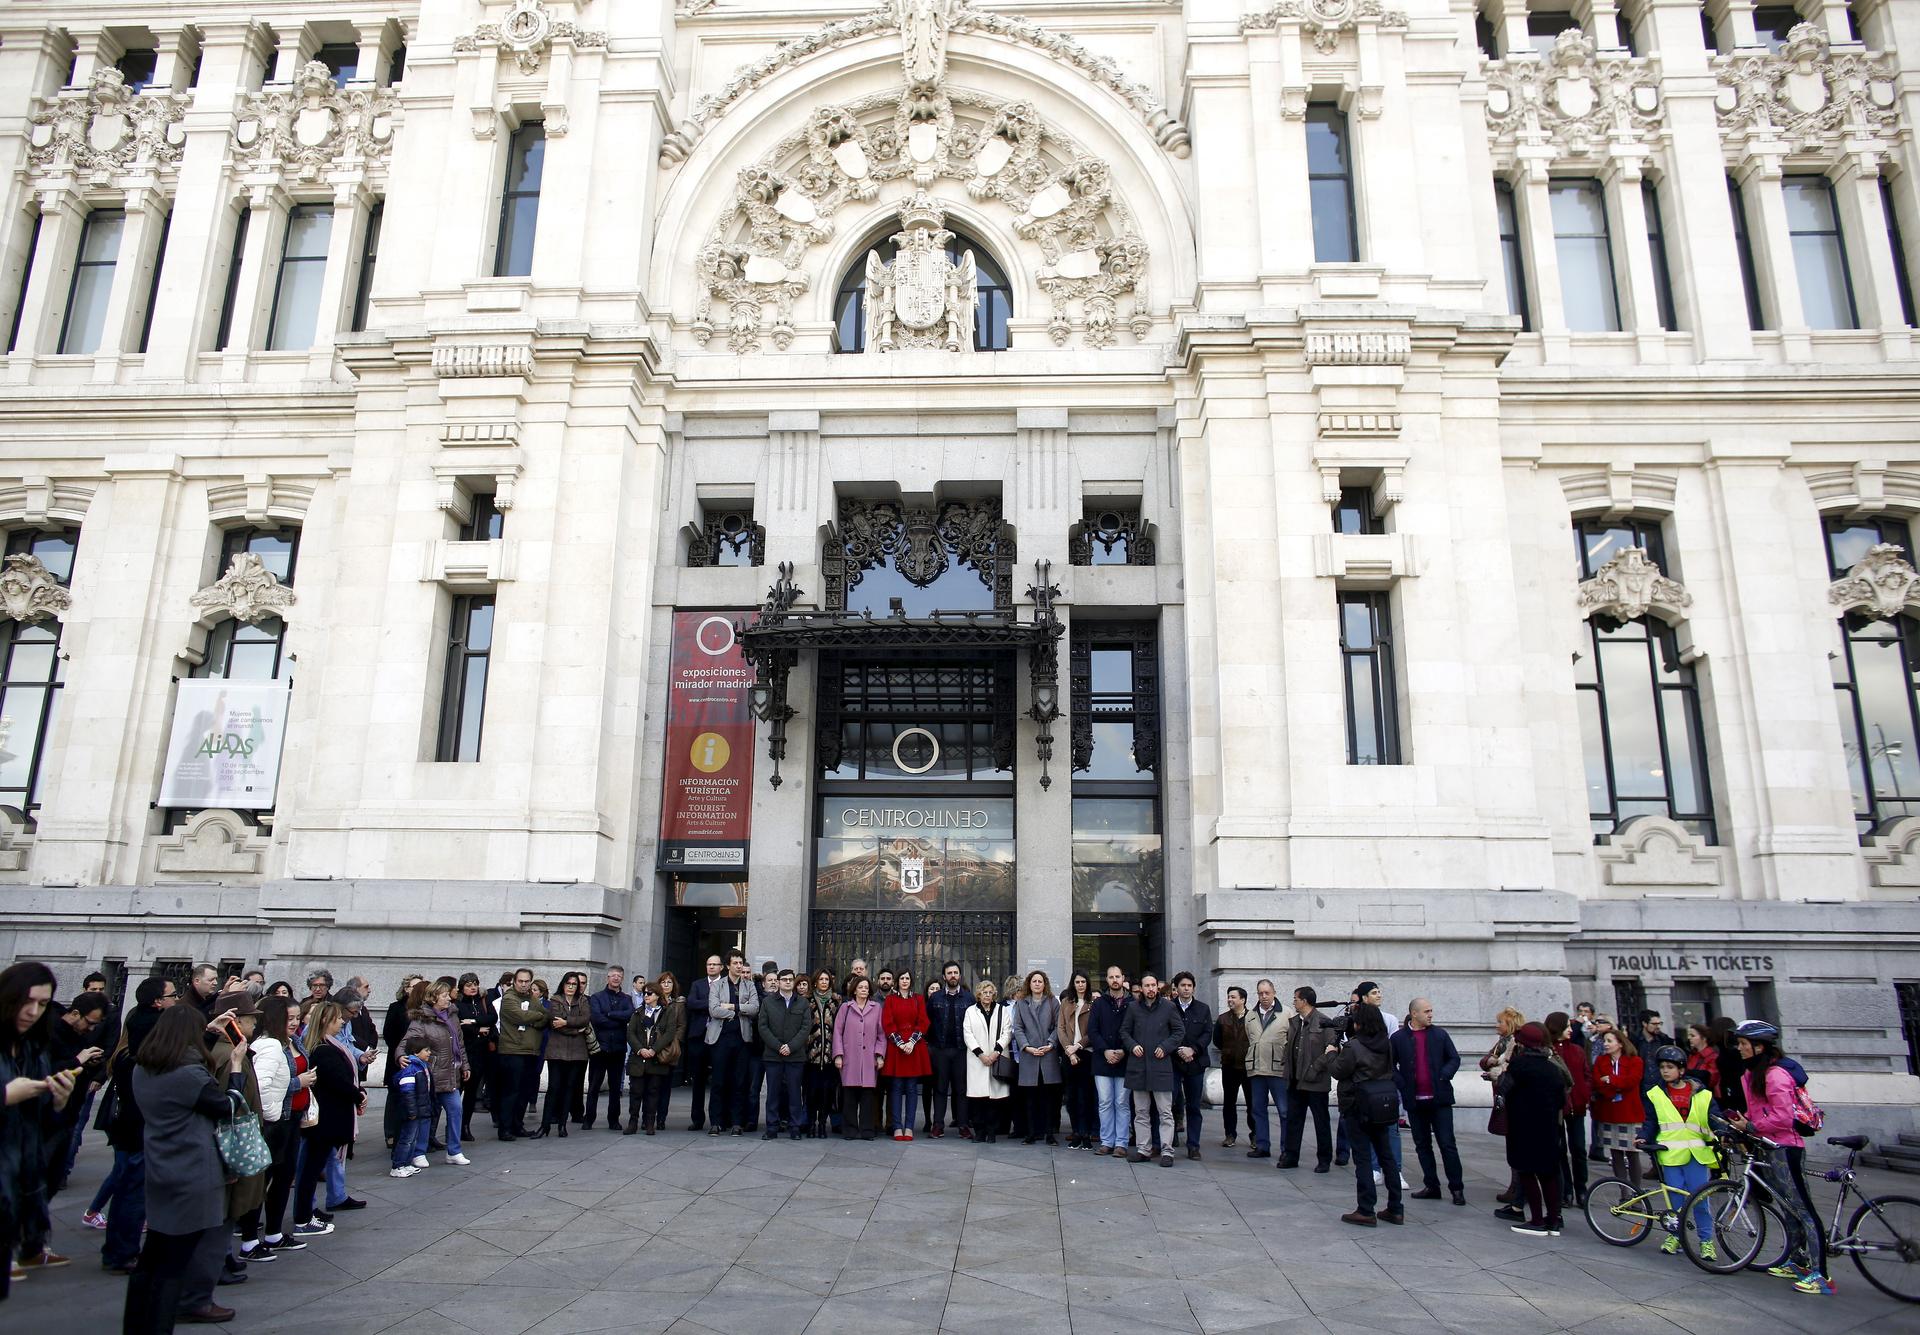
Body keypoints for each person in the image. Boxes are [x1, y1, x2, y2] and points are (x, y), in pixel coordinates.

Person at [120, 1004, 243, 1330]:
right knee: (173, 1267)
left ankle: (135, 1325)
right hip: (192, 1174)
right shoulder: (188, 1075)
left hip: (161, 1169)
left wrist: (209, 1030)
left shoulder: (143, 1069)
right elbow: (226, 1104)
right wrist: (236, 1068)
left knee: (152, 1259)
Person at [1730, 1020, 1833, 1295]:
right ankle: (1797, 1261)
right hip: (1769, 1146)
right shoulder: (1752, 1074)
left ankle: (1821, 1275)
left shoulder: (1776, 1075)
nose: (1739, 1049)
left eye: (1743, 1044)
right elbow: (1760, 1111)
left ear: (1759, 1046)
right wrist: (1744, 1122)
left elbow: (1783, 1117)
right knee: (1787, 1206)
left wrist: (1751, 1126)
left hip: (1787, 1148)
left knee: (1803, 1209)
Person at [1, 962, 77, 1299]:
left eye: (43, 1004)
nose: (32, 1012)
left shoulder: (33, 1048)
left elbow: (42, 1122)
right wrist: (5, 1096)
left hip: (18, 1175)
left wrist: (58, 1100)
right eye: (26, 1001)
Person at [1313, 1000, 1401, 1226]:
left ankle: (1366, 1209)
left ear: (1360, 1024)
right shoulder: (1386, 1044)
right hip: (1382, 1104)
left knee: (1362, 1157)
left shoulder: (1354, 1047)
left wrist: (1332, 1052)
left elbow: (1338, 1071)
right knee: (1386, 1156)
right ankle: (1395, 1207)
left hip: (1358, 1105)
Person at [239, 996, 310, 1264]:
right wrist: (296, 1083)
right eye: (288, 1018)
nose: (294, 1022)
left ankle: (274, 1233)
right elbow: (261, 1086)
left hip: (291, 1118)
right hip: (275, 1121)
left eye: (295, 1017)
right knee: (262, 1179)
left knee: (283, 1176)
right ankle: (249, 1238)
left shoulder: (290, 1042)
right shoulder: (269, 1046)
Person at [1637, 1044, 1722, 1261]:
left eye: (1670, 1067)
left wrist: (1723, 1132)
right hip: (1671, 1154)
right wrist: (1644, 1135)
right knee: (1674, 1200)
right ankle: (1675, 1235)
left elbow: (1715, 1118)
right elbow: (1651, 1121)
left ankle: (1706, 1242)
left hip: (1696, 1155)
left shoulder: (1703, 1094)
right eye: (1662, 1067)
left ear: (1681, 1070)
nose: (1665, 1071)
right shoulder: (1655, 1094)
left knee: (1700, 1200)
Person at [1498, 1022, 1571, 1237]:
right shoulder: (1552, 1069)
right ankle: (1554, 1219)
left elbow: (1504, 1089)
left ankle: (1537, 1219)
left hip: (1524, 1127)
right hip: (1548, 1127)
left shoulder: (1519, 1066)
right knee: (1549, 1173)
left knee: (1528, 1172)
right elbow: (1561, 1098)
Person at [1390, 997, 1464, 1205]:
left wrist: (1444, 1074)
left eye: (1431, 1011)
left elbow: (1454, 1058)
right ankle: (1432, 1185)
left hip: (1439, 1100)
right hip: (1415, 1101)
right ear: (1414, 1013)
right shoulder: (1398, 1038)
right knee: (1422, 1145)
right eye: (1426, 1011)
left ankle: (1456, 1188)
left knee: (1447, 1144)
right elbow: (1389, 1064)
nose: (1430, 1014)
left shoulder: (1440, 1035)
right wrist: (1402, 1083)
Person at [402, 981, 470, 1166]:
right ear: (433, 998)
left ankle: (454, 1151)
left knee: (456, 1110)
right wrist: (400, 1056)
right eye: (445, 995)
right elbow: (407, 1042)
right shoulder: (422, 1018)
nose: (449, 998)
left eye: (449, 994)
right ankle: (419, 1152)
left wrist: (465, 1066)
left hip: (450, 1074)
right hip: (431, 1075)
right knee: (427, 1115)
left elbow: (460, 1045)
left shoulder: (453, 1016)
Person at [1119, 972, 1179, 1166]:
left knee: (1165, 1113)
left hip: (1161, 1066)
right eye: (1147, 986)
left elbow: (1179, 1032)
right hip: (1138, 1067)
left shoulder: (1169, 1007)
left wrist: (1166, 1046)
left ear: (1158, 987)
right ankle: (1143, 1149)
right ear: (1141, 988)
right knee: (1141, 1112)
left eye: (1154, 985)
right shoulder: (1133, 1008)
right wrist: (1132, 1045)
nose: (1151, 989)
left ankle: (1167, 1152)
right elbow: (1124, 1031)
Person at [1281, 987, 1339, 1172]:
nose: (1294, 1002)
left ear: (1304, 1001)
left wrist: (1315, 1068)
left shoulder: (1323, 1022)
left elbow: (1331, 1049)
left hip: (1316, 1082)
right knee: (1293, 1120)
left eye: (1296, 999)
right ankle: (1291, 1156)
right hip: (1296, 1080)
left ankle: (1324, 1159)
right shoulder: (1295, 1022)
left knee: (1321, 1121)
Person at [706, 954, 761, 1135]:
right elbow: (714, 1010)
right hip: (720, 1039)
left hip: (742, 1040)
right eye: (735, 963)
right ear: (728, 966)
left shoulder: (749, 985)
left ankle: (737, 1122)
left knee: (740, 1082)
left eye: (741, 963)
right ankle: (716, 1121)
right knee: (719, 1081)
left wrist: (732, 1007)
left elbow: (754, 1008)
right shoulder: (717, 985)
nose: (739, 966)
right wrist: (738, 1011)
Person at [1009, 971, 1061, 1146]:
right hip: (1029, 1055)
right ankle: (1030, 1133)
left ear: (1044, 984)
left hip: (1048, 1054)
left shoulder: (1053, 1002)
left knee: (1048, 1098)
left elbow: (1058, 1026)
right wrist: (1027, 1047)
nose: (1037, 984)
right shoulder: (1022, 1003)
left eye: (1040, 981)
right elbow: (1017, 1027)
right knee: (1029, 1098)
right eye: (1034, 981)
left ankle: (1049, 1134)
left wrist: (1051, 1043)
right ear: (1029, 984)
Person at [495, 969, 547, 1140]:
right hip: (512, 1051)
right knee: (511, 1092)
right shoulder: (509, 998)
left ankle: (517, 1125)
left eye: (527, 981)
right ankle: (505, 1128)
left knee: (524, 1092)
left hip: (531, 1051)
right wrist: (536, 1016)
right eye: (520, 981)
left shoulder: (532, 998)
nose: (524, 984)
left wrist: (537, 1017)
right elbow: (520, 1017)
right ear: (515, 981)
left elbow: (546, 1016)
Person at [538, 971, 591, 1139]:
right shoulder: (555, 1000)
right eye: (568, 983)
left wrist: (567, 1022)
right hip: (557, 1050)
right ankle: (544, 1125)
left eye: (574, 984)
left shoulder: (583, 1001)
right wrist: (576, 1029)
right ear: (563, 984)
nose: (571, 987)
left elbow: (585, 1019)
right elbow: (555, 1022)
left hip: (577, 1052)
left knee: (570, 1088)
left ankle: (562, 1125)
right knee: (553, 1088)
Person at [1545, 1010, 1590, 1207]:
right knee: (1560, 1149)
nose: (1571, 1030)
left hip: (1577, 1107)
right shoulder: (1548, 1051)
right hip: (1557, 1108)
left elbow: (1587, 1075)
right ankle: (1566, 1190)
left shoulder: (1577, 1050)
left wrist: (1584, 1094)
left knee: (1579, 1148)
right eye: (1567, 1026)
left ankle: (1582, 1188)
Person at [1590, 1027, 1644, 1188]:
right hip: (1609, 1111)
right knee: (1615, 1153)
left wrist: (1611, 1080)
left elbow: (1632, 1081)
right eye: (1604, 1041)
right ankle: (1624, 1192)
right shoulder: (1601, 1060)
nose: (1605, 1044)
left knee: (1633, 1154)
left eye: (1609, 1041)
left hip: (1630, 1113)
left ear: (1620, 1043)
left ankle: (1636, 1192)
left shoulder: (1635, 1061)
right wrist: (1613, 1083)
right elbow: (1598, 1082)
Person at [626, 982, 683, 1135]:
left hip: (656, 1059)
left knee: (653, 1092)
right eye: (644, 993)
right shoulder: (638, 1012)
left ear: (657, 995)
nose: (646, 996)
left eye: (649, 993)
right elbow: (631, 1033)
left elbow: (670, 1033)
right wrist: (640, 1049)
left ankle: (650, 1122)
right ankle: (633, 1122)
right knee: (636, 1092)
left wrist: (654, 1050)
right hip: (639, 1059)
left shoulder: (666, 1012)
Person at [832, 976, 885, 1139]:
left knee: (868, 1097)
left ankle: (867, 1130)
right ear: (854, 990)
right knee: (850, 1097)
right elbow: (837, 1032)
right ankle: (850, 1130)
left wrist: (880, 1055)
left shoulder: (876, 1008)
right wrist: (838, 1055)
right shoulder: (845, 1008)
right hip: (850, 1058)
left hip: (869, 1059)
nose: (864, 990)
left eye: (866, 987)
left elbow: (881, 1034)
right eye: (861, 987)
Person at [882, 968, 932, 1141]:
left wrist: (911, 1042)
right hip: (896, 1048)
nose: (904, 981)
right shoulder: (890, 1000)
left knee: (911, 1089)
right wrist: (900, 1043)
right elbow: (887, 1023)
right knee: (895, 1088)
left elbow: (924, 1021)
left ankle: (909, 1126)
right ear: (898, 981)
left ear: (911, 981)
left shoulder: (918, 999)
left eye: (907, 978)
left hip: (914, 1047)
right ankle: (897, 1126)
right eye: (902, 978)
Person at [1166, 972, 1211, 1161]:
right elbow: (1164, 1032)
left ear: (1193, 987)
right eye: (1182, 985)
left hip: (1195, 1063)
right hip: (1173, 1063)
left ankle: (1193, 1145)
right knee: (1170, 1103)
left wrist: (1193, 1050)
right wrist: (1178, 1050)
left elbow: (1207, 1033)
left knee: (1193, 1106)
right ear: (1176, 988)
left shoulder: (1203, 1009)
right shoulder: (1168, 1008)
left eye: (1189, 985)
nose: (1186, 988)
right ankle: (1170, 1139)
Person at [760, 970, 810, 1140]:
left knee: (795, 1093)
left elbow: (805, 1028)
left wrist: (791, 1046)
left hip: (795, 1056)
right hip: (773, 1056)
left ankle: (795, 1127)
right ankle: (771, 1128)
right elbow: (763, 1027)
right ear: (779, 982)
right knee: (773, 1094)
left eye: (790, 980)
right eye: (784, 980)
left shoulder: (802, 1003)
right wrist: (778, 1046)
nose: (788, 982)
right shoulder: (768, 1002)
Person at [1481, 1006, 1523, 1203]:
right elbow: (1484, 1061)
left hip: (1511, 1100)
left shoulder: (1516, 1045)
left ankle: (1518, 1188)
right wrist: (1491, 1062)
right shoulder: (1501, 1043)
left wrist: (1494, 1065)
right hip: (1502, 1096)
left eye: (1501, 1022)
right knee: (1511, 1143)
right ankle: (1515, 1186)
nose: (1497, 1025)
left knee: (1516, 1144)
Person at [1243, 980, 1288, 1161]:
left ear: (1274, 992)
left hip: (1278, 1069)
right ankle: (1262, 1146)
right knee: (1258, 1109)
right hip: (1257, 1070)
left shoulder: (1286, 1013)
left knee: (1284, 1111)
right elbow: (1250, 1037)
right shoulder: (1251, 1015)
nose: (1264, 997)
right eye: (1260, 993)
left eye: (1267, 993)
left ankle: (1287, 1148)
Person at [1088, 965, 1131, 1156]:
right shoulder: (1099, 1003)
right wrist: (1105, 1050)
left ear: (1123, 978)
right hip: (1102, 1060)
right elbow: (1092, 1030)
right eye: (1111, 976)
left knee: (1121, 1102)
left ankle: (1121, 1143)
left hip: (1124, 1060)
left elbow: (1134, 1029)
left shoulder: (1132, 1002)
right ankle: (1107, 1142)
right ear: (1107, 979)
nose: (1115, 980)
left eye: (1118, 976)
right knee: (1105, 1102)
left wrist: (1123, 1050)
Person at [585, 967, 633, 1131]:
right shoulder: (597, 997)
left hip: (618, 1048)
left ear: (623, 978)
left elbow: (629, 1015)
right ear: (607, 978)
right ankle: (588, 1118)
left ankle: (614, 1120)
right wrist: (617, 1018)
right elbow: (597, 1019)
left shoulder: (627, 998)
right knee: (594, 1086)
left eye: (619, 976)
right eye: (613, 975)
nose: (616, 978)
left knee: (615, 1088)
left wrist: (610, 1015)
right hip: (600, 1048)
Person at [926, 961, 971, 1140]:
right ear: (944, 977)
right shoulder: (935, 998)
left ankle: (963, 1125)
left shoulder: (968, 998)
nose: (953, 976)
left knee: (961, 1090)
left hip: (961, 1050)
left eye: (955, 972)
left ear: (959, 976)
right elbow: (927, 1022)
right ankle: (938, 1125)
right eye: (949, 973)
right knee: (940, 1089)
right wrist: (931, 1047)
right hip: (940, 1050)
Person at [962, 980, 1010, 1141]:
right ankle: (979, 1132)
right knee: (978, 1099)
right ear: (979, 994)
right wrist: (981, 1054)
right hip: (977, 1060)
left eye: (990, 992)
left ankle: (992, 1132)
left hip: (995, 1057)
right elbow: (968, 1034)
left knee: (994, 1100)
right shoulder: (970, 1011)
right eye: (984, 992)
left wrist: (996, 1052)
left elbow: (1007, 1033)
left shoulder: (1002, 1010)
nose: (987, 995)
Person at [453, 974, 495, 1143]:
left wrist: (474, 1021)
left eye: (475, 984)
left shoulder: (483, 1001)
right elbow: (460, 1027)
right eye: (469, 985)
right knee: (459, 1090)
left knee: (471, 1092)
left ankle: (465, 1126)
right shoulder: (458, 1004)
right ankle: (454, 1125)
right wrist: (478, 1029)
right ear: (462, 987)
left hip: (481, 1052)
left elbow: (492, 1018)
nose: (473, 987)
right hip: (465, 1052)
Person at [1057, 971, 1096, 1150]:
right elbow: (1061, 1029)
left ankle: (1086, 1133)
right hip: (1069, 1055)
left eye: (1083, 981)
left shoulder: (1094, 1003)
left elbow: (1094, 1031)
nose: (1080, 984)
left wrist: (1078, 1046)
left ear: (1087, 984)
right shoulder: (1066, 1002)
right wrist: (1069, 1051)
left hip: (1086, 1053)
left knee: (1085, 1096)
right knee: (1071, 1096)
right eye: (1077, 982)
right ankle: (1076, 1133)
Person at [684, 956, 720, 1131]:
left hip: (719, 1038)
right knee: (697, 1080)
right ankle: (697, 1119)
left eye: (714, 964)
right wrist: (714, 1005)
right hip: (699, 1037)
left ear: (721, 967)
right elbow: (692, 1003)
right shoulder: (697, 985)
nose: (711, 967)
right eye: (709, 964)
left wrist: (710, 1006)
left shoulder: (725, 984)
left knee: (718, 1081)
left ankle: (716, 1119)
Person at [389, 1041, 435, 1179]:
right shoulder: (411, 1069)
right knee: (406, 1139)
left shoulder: (421, 1066)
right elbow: (407, 1092)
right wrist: (412, 1112)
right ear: (416, 1052)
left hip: (417, 1110)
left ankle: (407, 1163)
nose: (429, 1053)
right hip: (411, 1111)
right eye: (426, 1050)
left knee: (413, 1138)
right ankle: (397, 1166)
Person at [806, 968, 842, 1139]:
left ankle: (822, 1124)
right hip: (811, 1054)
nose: (824, 982)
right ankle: (811, 1123)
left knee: (827, 1093)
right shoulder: (807, 1000)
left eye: (827, 979)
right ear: (815, 981)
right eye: (821, 979)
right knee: (812, 1092)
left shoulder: (836, 1000)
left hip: (829, 1054)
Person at [1214, 986, 1251, 1149]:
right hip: (1229, 1065)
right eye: (1229, 997)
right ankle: (1230, 1134)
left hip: (1248, 1066)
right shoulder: (1222, 1019)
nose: (1230, 1000)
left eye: (1233, 997)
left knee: (1253, 1103)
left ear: (1242, 1000)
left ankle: (1255, 1135)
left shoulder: (1253, 1018)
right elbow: (1217, 1040)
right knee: (1229, 1102)